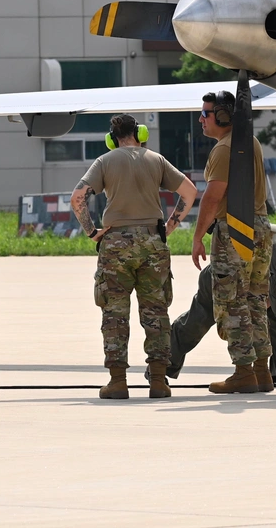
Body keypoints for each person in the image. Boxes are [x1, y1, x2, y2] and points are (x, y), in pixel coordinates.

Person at [70, 114, 196, 400]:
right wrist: (170, 227)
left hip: (115, 243)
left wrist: (92, 232)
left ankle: (117, 382)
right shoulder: (156, 159)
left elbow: (77, 198)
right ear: (139, 134)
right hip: (153, 242)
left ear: (112, 139)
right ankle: (159, 382)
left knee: (114, 312)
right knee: (156, 312)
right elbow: (189, 192)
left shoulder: (105, 161)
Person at [167, 225, 276, 381]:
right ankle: (162, 365)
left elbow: (274, 298)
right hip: (224, 278)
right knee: (197, 322)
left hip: (251, 283)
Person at [191, 91, 274, 394]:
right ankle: (262, 371)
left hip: (235, 229)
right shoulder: (249, 141)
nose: (201, 119)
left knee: (231, 301)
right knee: (255, 299)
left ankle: (243, 372)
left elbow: (213, 197)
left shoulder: (224, 149)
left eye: (207, 113)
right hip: (261, 226)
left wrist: (198, 237)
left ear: (224, 116)